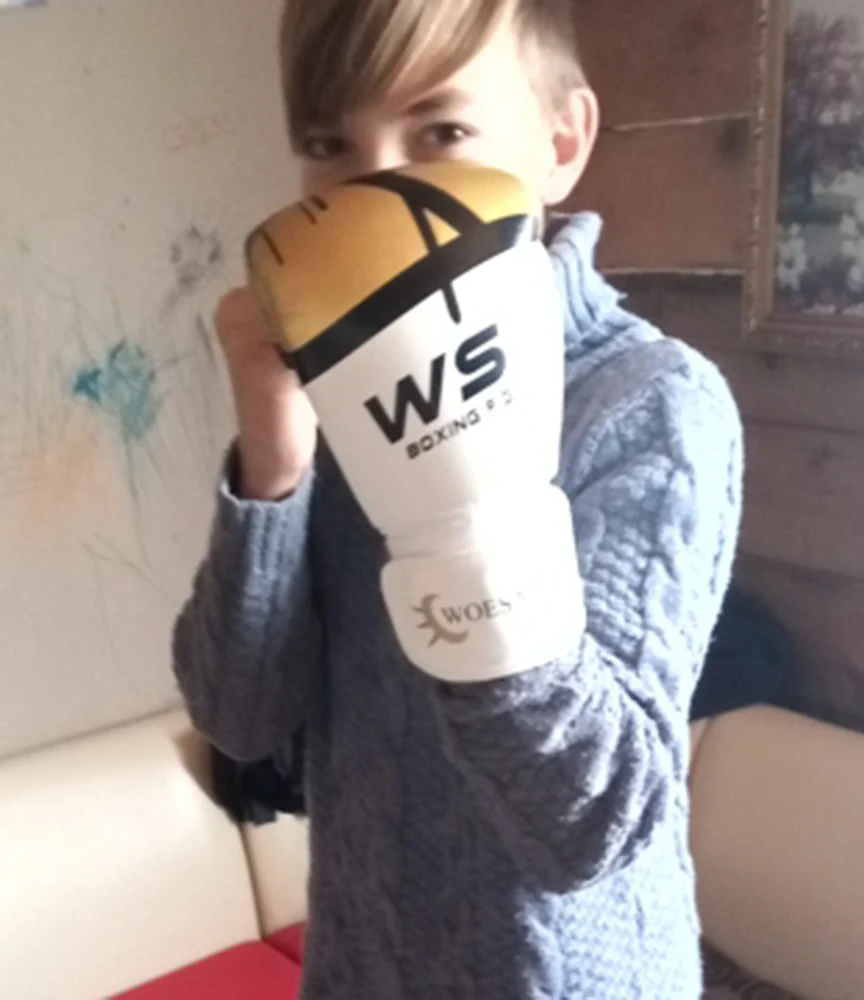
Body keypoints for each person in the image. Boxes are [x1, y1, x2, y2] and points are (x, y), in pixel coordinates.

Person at [173, 0, 744, 997]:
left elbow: (589, 824)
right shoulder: (337, 398)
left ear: (560, 142)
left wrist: (458, 509)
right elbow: (240, 719)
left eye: (440, 131)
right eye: (329, 144)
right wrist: (273, 458)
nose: (375, 185)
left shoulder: (651, 402)